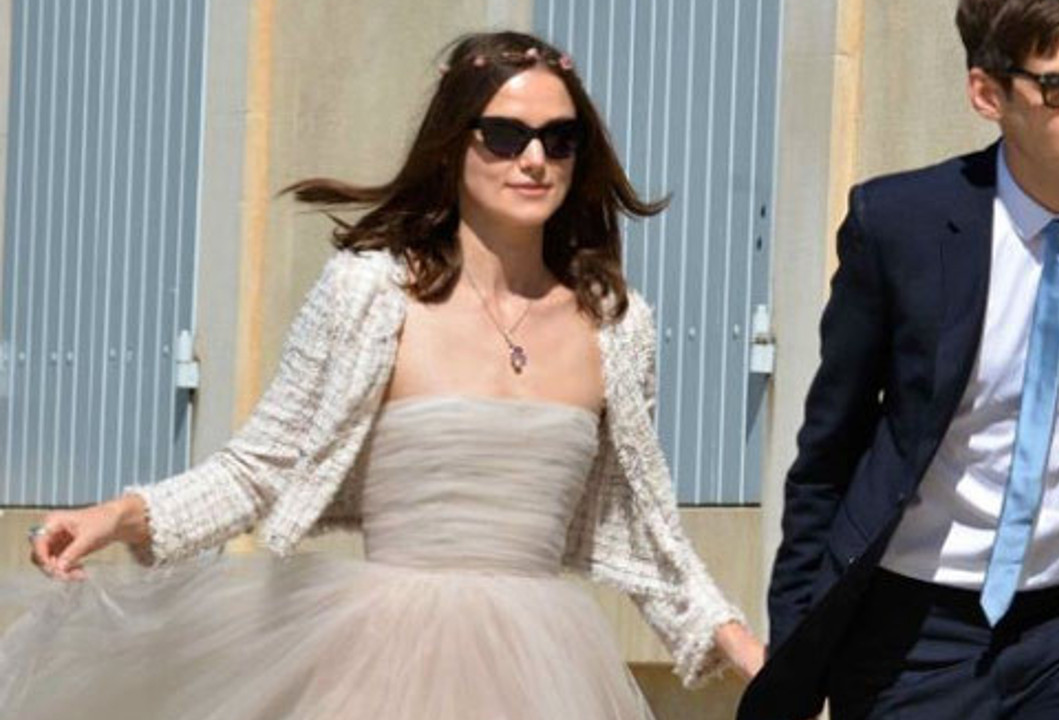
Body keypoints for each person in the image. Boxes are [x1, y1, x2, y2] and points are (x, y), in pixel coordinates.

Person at [4, 31, 763, 719]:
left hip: (551, 676)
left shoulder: (617, 324)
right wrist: (117, 516)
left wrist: (752, 656)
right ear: (453, 145)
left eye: (560, 139)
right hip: (380, 668)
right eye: (505, 136)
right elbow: (262, 465)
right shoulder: (367, 293)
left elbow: (648, 531)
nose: (534, 159)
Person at [739, 1, 1059, 719]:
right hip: (914, 628)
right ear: (988, 93)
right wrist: (795, 644)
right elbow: (829, 451)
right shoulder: (899, 226)